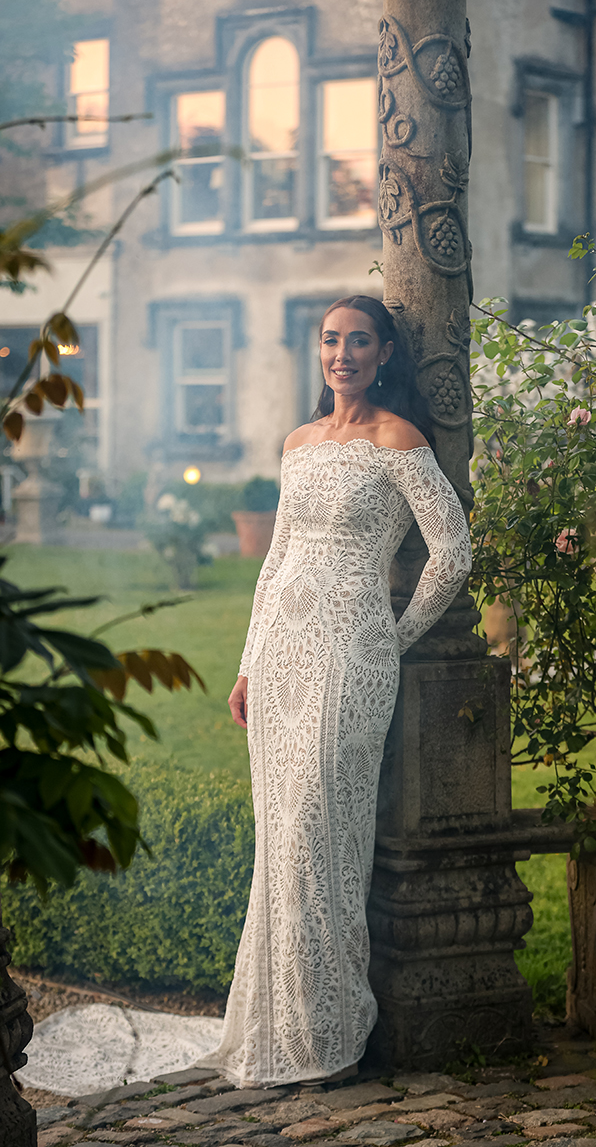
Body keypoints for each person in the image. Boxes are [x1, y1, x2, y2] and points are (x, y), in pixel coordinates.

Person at [199, 295, 472, 1088]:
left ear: (384, 353)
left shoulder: (398, 438)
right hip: (281, 658)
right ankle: (275, 1027)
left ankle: (331, 1035)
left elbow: (451, 551)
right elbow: (275, 560)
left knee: (321, 833)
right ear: (318, 351)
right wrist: (250, 664)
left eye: (358, 341)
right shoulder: (298, 443)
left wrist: (394, 635)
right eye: (330, 340)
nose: (342, 353)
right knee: (279, 840)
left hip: (351, 655)